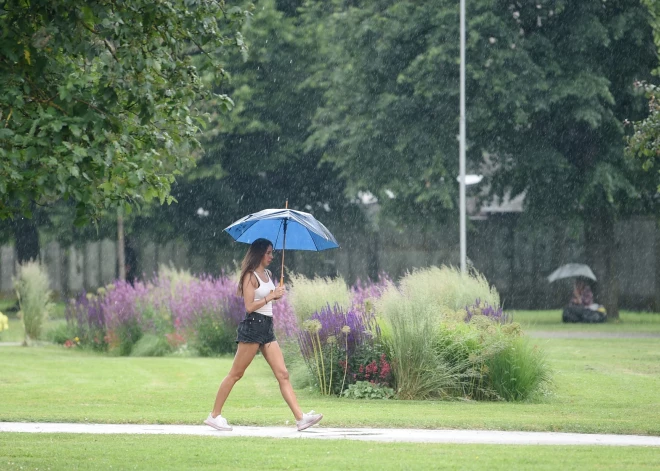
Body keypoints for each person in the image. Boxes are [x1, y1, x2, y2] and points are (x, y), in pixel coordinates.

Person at [204, 238, 323, 432]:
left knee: (283, 374)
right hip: (252, 327)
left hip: (267, 327)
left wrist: (277, 294)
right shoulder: (249, 276)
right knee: (236, 374)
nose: (271, 256)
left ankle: (300, 418)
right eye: (268, 252)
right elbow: (249, 306)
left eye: (272, 252)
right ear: (259, 253)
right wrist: (271, 296)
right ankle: (214, 416)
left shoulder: (267, 274)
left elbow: (268, 299)